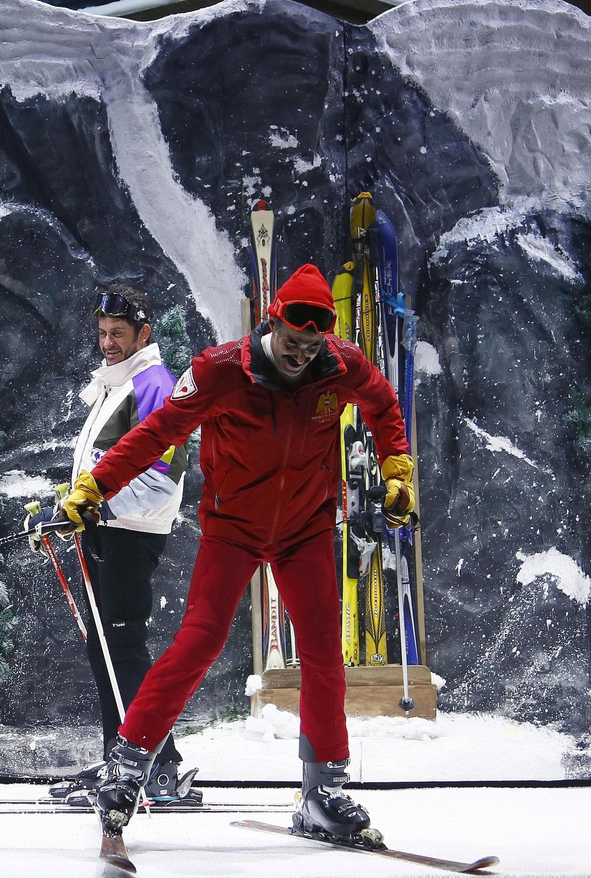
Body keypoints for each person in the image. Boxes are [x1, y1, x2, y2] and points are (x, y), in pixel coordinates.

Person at [38, 264, 415, 843]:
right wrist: (92, 488)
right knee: (201, 639)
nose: (301, 356)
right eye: (292, 344)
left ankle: (325, 791)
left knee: (321, 650)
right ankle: (128, 768)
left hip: (306, 529)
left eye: (311, 345)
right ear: (273, 324)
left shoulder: (340, 364)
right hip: (233, 529)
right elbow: (155, 432)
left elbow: (385, 405)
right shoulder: (219, 370)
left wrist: (397, 469)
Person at [26, 287, 194, 806]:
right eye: (102, 334)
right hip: (109, 529)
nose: (107, 343)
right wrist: (68, 501)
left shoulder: (154, 383)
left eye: (118, 334)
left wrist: (97, 509)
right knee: (105, 648)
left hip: (131, 533)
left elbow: (165, 475)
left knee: (121, 648)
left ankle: (157, 767)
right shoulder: (118, 384)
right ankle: (123, 760)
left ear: (145, 334)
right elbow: (104, 464)